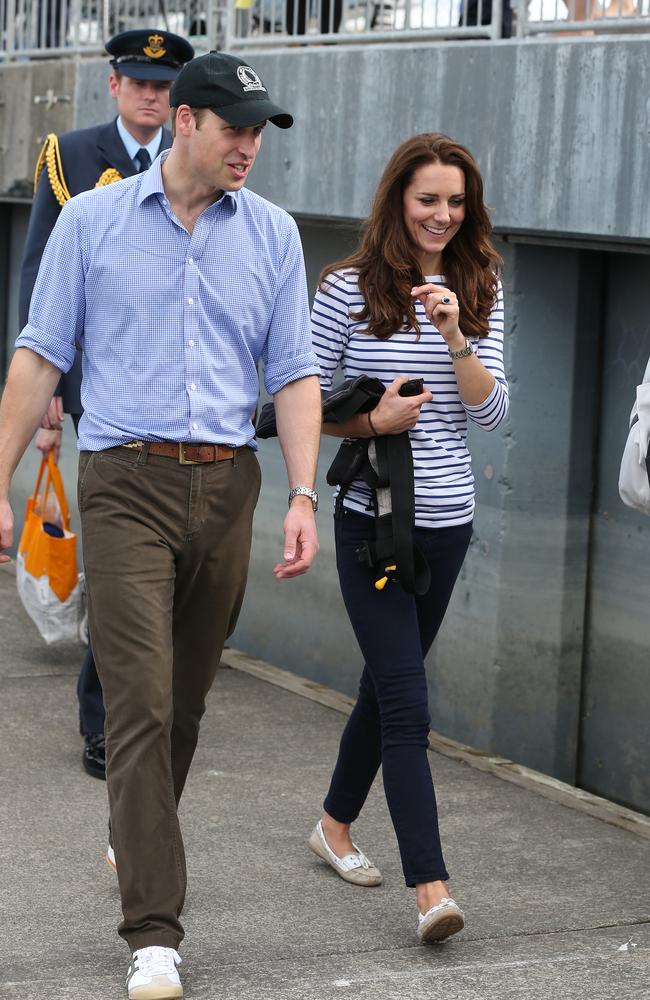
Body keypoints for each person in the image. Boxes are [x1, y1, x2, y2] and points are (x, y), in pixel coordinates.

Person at [0, 51, 322, 999]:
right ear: (184, 123)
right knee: (137, 700)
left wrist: (302, 495)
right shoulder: (92, 221)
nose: (250, 147)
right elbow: (38, 358)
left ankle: (131, 831)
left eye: (261, 132)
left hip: (229, 487)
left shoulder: (272, 234)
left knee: (182, 704)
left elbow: (296, 374)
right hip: (123, 481)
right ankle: (154, 932)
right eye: (235, 128)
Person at [308, 133, 508, 943]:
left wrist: (457, 333)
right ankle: (432, 888)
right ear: (398, 200)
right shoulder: (345, 289)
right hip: (370, 520)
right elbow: (307, 407)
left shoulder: (481, 282)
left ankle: (331, 825)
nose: (442, 215)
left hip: (447, 524)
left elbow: (493, 414)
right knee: (408, 704)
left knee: (386, 686)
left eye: (456, 202)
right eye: (428, 199)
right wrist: (373, 419)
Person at [19, 28, 194, 781]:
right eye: (139, 82)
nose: (152, 95)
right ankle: (103, 724)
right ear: (114, 85)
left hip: (178, 394)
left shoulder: (201, 158)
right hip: (99, 391)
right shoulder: (72, 158)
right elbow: (37, 275)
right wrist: (49, 393)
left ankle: (152, 710)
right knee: (116, 563)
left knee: (171, 569)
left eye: (164, 84)